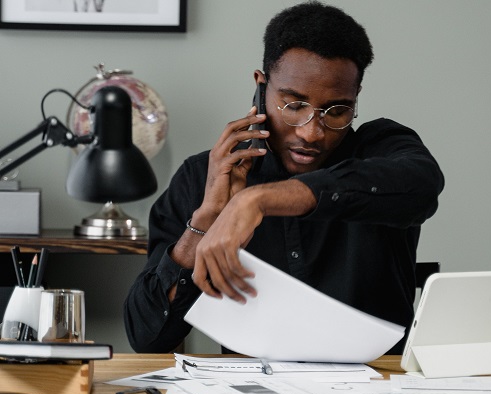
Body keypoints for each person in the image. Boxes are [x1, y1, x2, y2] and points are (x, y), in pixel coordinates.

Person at [124, 1, 444, 354]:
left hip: (377, 384)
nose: (312, 133)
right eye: (293, 105)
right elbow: (148, 337)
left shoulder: (381, 149)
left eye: (337, 111)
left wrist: (256, 200)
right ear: (262, 87)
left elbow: (422, 185)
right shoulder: (203, 176)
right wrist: (206, 219)